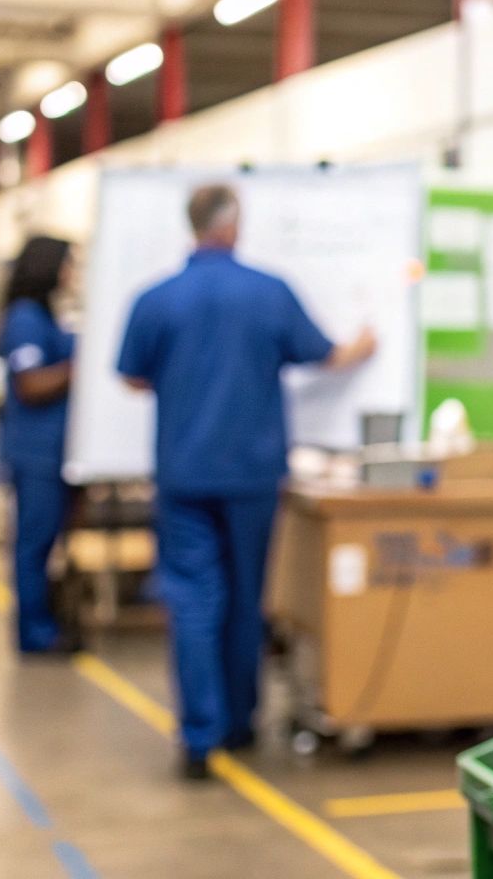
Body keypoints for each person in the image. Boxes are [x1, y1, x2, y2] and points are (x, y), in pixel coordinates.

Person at [117, 184, 376, 778]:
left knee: (193, 600)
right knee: (243, 598)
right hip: (252, 473)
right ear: (233, 224)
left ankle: (198, 735)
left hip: (183, 471)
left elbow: (132, 378)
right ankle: (239, 723)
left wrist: (186, 385)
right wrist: (363, 345)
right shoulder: (268, 292)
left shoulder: (156, 299)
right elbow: (325, 355)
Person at [0, 235, 81, 656]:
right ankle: (34, 634)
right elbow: (30, 384)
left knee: (43, 545)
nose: (72, 274)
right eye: (68, 265)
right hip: (35, 453)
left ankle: (44, 623)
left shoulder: (47, 316)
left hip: (53, 451)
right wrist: (80, 367)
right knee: (32, 546)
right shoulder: (26, 318)